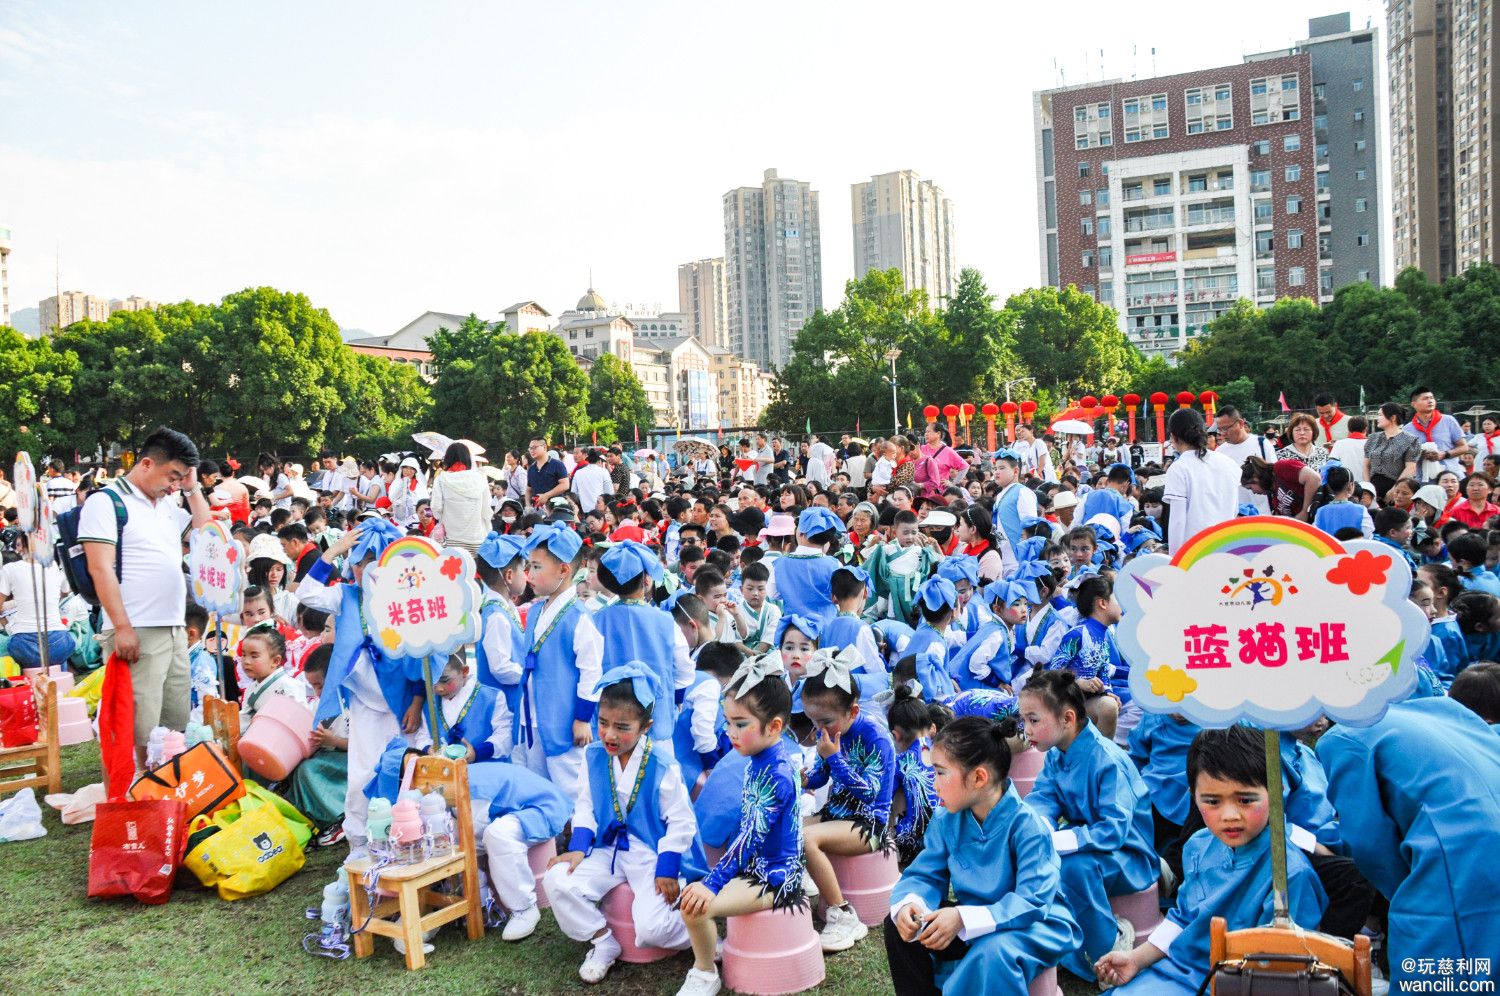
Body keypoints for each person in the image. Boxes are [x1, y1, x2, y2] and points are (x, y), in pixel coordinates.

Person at [1095, 726, 1328, 993]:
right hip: (1178, 971)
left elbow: (1282, 972)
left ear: (1276, 793)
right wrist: (1136, 959)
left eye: (1245, 799)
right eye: (1212, 801)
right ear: (1193, 796)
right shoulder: (1197, 846)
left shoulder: (1290, 876)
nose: (1229, 815)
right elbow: (1183, 918)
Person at [885, 715, 1081, 995]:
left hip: (1037, 923)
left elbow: (1033, 901)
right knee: (899, 926)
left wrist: (963, 918)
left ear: (978, 777)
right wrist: (910, 903)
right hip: (976, 918)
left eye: (940, 772)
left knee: (993, 951)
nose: (934, 782)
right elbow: (923, 875)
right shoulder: (947, 820)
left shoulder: (1028, 827)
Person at [1317, 698, 1500, 990]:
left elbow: (1370, 844)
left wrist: (1404, 894)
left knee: (1437, 974)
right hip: (1482, 829)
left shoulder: (1342, 740)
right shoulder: (1441, 707)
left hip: (1457, 855)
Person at [545, 664, 699, 983]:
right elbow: (586, 804)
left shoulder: (662, 766)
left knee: (652, 927)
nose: (610, 734)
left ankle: (702, 933)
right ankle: (603, 941)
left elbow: (682, 822)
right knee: (557, 880)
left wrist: (667, 868)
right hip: (607, 848)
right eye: (602, 723)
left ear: (646, 727)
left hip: (649, 853)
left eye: (622, 726)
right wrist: (577, 849)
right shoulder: (593, 756)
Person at [675, 653, 804, 996]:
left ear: (774, 727)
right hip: (755, 866)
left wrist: (712, 885)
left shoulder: (776, 773)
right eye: (728, 722)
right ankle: (713, 949)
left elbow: (750, 837)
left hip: (776, 876)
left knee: (694, 905)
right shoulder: (758, 758)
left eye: (740, 724)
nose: (730, 732)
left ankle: (704, 971)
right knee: (693, 892)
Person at [82, 427, 212, 765]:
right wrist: (122, 627)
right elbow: (101, 569)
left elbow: (205, 531)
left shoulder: (167, 505)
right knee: (137, 723)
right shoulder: (106, 502)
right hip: (137, 627)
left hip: (173, 627)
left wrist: (192, 486)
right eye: (172, 474)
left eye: (180, 477)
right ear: (146, 463)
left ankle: (162, 790)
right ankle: (135, 793)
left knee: (173, 719)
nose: (174, 484)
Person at [1020, 670, 1155, 979]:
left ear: (1067, 718)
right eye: (1025, 720)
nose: (1026, 730)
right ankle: (1062, 944)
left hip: (1127, 853)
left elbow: (1114, 829)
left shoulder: (1107, 759)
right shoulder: (1057, 754)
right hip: (1090, 843)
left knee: (1072, 868)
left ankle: (1107, 951)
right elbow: (1043, 796)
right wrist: (1038, 828)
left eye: (1033, 720)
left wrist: (1059, 841)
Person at [800, 649, 897, 952]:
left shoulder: (875, 736)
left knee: (805, 839)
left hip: (868, 823)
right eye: (813, 721)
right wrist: (805, 778)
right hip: (835, 814)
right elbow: (821, 776)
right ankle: (796, 887)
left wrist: (835, 758)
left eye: (825, 721)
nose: (819, 729)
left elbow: (870, 792)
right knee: (785, 825)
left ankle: (843, 915)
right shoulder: (829, 733)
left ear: (852, 711)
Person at [515, 524, 602, 804]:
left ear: (564, 570)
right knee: (538, 788)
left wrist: (582, 718)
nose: (529, 575)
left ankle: (579, 841)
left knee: (572, 789)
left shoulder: (578, 616)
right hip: (534, 716)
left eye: (537, 567)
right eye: (529, 566)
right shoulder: (538, 609)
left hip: (563, 717)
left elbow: (592, 672)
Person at [1162, 409, 1239, 552]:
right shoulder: (1228, 463)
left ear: (1173, 436)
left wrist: (1175, 561)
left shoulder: (1179, 468)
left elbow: (1177, 522)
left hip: (1195, 553)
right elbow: (1234, 509)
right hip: (1228, 548)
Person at [0, 534, 75, 668]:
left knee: (7, 645)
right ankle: (60, 682)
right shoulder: (53, 566)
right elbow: (65, 592)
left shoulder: (9, 569)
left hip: (24, 644)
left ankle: (30, 684)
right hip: (59, 640)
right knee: (56, 659)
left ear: (21, 546)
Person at [430, 442, 490, 553]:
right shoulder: (480, 477)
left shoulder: (441, 479)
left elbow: (436, 508)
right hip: (477, 537)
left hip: (452, 539)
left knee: (453, 569)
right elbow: (486, 509)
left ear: (448, 458)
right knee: (475, 569)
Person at [238, 627, 307, 722]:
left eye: (254, 656)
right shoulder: (250, 689)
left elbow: (300, 721)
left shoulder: (290, 687)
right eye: (244, 655)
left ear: (275, 661)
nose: (246, 661)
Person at [1404, 386, 1470, 481]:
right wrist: (1418, 455)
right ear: (1414, 404)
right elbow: (1405, 457)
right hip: (1424, 478)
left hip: (1451, 476)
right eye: (1425, 399)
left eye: (1432, 398)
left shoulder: (1448, 421)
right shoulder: (1408, 429)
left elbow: (1464, 447)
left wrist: (1444, 454)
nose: (1430, 401)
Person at [1364, 402, 1422, 498]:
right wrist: (1367, 488)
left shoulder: (1410, 440)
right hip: (1373, 488)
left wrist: (1395, 489)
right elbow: (1366, 466)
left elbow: (1411, 468)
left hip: (1395, 489)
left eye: (1380, 415)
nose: (1378, 418)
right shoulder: (1373, 438)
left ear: (1393, 418)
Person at [1241, 456, 1321, 520]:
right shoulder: (1273, 495)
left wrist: (1305, 511)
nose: (1253, 492)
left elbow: (1314, 478)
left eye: (1250, 488)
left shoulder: (1280, 468)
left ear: (1255, 477)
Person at [1312, 465, 1375, 538]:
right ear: (1350, 486)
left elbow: (1316, 537)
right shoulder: (1361, 510)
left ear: (1329, 486)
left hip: (1330, 549)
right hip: (1354, 549)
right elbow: (1367, 537)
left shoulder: (1321, 512)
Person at [525, 437, 570, 507]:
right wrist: (528, 506)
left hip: (555, 507)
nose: (531, 450)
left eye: (534, 447)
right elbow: (529, 489)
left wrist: (546, 496)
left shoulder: (557, 464)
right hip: (537, 509)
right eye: (530, 448)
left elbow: (565, 485)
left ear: (545, 447)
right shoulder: (531, 468)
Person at [570, 448, 614, 513]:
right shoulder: (604, 472)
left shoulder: (578, 473)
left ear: (587, 459)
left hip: (584, 510)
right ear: (599, 461)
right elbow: (610, 492)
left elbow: (573, 493)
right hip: (601, 510)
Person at [1328, 416, 1370, 480]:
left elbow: (1331, 465)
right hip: (1367, 484)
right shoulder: (1371, 443)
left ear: (1349, 429)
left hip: (1346, 484)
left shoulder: (1339, 443)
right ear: (1366, 429)